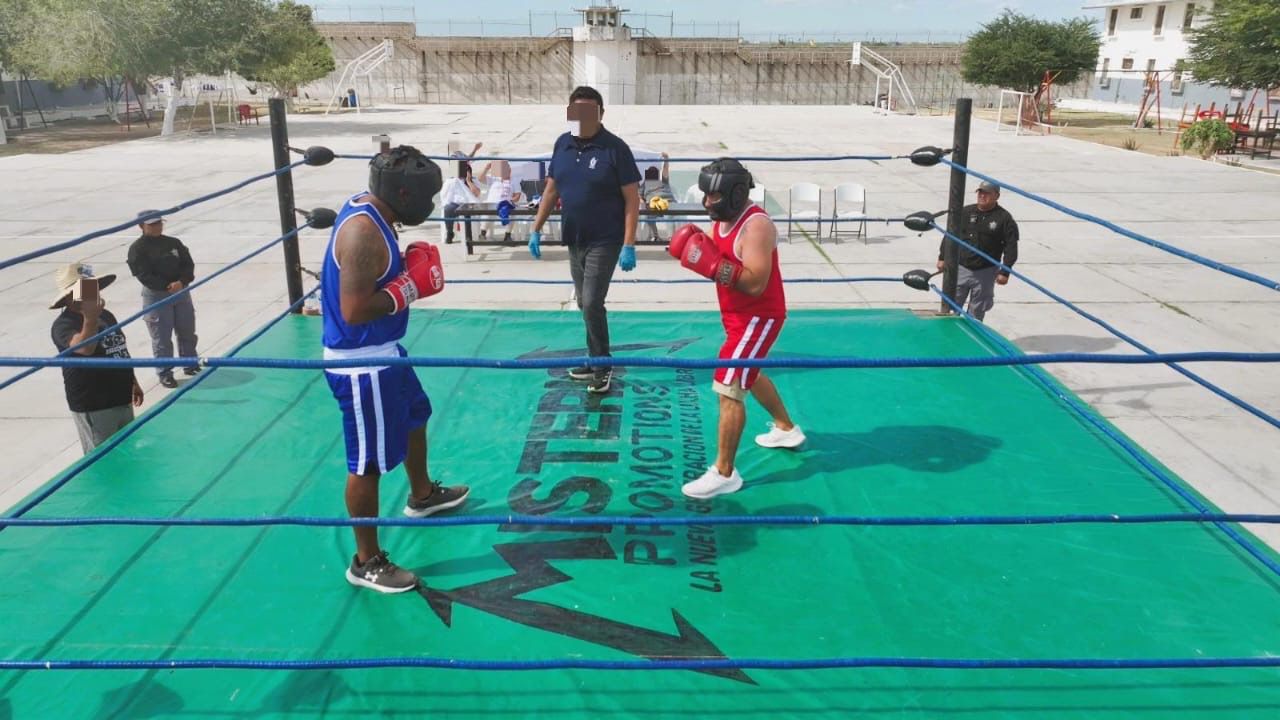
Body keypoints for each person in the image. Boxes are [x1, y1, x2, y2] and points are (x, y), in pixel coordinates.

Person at [321, 144, 470, 593]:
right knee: (367, 463)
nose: (429, 205)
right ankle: (365, 561)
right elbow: (354, 310)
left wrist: (401, 275)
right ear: (403, 194)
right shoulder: (364, 233)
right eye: (425, 197)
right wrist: (408, 287)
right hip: (361, 364)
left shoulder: (372, 208)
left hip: (386, 351)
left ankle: (422, 495)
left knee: (415, 416)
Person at [666, 158, 806, 499]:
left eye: (713, 196)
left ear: (735, 193)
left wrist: (712, 265)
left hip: (758, 318)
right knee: (750, 373)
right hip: (736, 316)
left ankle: (725, 473)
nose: (707, 203)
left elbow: (756, 284)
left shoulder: (756, 227)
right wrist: (701, 254)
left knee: (729, 386)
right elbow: (723, 260)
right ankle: (787, 429)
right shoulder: (723, 220)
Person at [528, 85, 642, 393]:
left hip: (606, 239)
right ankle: (594, 358)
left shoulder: (615, 149)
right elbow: (551, 190)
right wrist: (536, 228)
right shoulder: (562, 144)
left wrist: (629, 244)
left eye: (589, 112)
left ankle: (603, 365)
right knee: (583, 302)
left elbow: (632, 199)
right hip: (574, 238)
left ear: (601, 114)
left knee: (592, 302)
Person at [49, 262, 144, 454]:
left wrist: (133, 381)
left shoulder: (106, 315)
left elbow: (119, 348)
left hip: (120, 396)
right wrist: (90, 318)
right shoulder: (63, 325)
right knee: (104, 459)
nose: (93, 292)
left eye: (92, 287)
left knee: (128, 451)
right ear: (70, 296)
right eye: (85, 288)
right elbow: (84, 349)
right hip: (95, 404)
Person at [126, 211, 198, 389]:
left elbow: (188, 264)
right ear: (141, 226)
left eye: (159, 223)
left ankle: (190, 363)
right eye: (152, 224)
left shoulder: (173, 243)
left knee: (187, 330)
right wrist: (167, 286)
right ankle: (165, 373)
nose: (157, 227)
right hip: (157, 295)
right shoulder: (137, 249)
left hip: (181, 291)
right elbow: (143, 274)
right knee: (162, 338)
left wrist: (182, 281)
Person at [936, 180, 1019, 322]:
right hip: (961, 268)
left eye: (987, 193)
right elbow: (950, 234)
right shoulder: (965, 212)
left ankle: (972, 333)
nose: (982, 196)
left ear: (996, 196)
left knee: (977, 311)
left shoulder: (1004, 218)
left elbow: (1011, 247)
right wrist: (942, 257)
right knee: (951, 306)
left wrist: (1005, 271)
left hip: (985, 272)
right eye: (980, 192)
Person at [440, 160, 481, 245]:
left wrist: (468, 181)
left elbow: (477, 194)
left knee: (468, 213)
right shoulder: (452, 181)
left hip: (469, 204)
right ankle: (450, 232)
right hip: (455, 204)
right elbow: (444, 194)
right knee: (447, 209)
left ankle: (468, 236)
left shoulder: (473, 180)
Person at [640, 152, 675, 242]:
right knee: (649, 217)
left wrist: (666, 159)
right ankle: (656, 236)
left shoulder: (663, 181)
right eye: (650, 171)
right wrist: (643, 204)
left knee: (669, 215)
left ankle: (670, 238)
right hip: (653, 203)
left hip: (668, 201)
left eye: (654, 171)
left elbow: (665, 169)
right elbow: (639, 196)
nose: (652, 173)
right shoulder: (644, 185)